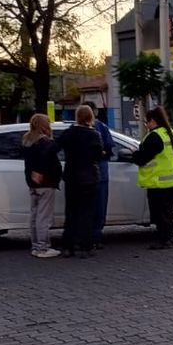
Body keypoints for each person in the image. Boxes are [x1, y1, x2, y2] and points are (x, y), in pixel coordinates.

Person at [132, 106, 173, 249]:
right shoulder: (170, 132)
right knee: (167, 212)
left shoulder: (154, 136)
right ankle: (169, 238)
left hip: (159, 182)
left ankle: (164, 240)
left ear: (153, 121)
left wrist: (134, 154)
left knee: (160, 213)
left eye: (146, 122)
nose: (146, 125)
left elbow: (142, 158)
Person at [57, 104, 105, 258]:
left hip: (71, 176)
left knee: (71, 212)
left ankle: (67, 246)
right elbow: (98, 155)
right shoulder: (94, 135)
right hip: (89, 177)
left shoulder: (68, 133)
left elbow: (54, 148)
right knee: (87, 212)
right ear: (91, 117)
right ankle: (86, 246)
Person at [22, 114, 63, 258]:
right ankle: (42, 247)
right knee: (43, 217)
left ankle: (35, 245)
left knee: (34, 215)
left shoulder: (27, 140)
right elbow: (50, 157)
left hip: (33, 184)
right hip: (45, 183)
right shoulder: (45, 142)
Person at [87, 102, 114, 250]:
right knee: (99, 206)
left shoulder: (74, 129)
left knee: (85, 207)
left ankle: (86, 237)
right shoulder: (101, 128)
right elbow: (109, 150)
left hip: (81, 175)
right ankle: (96, 237)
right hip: (99, 174)